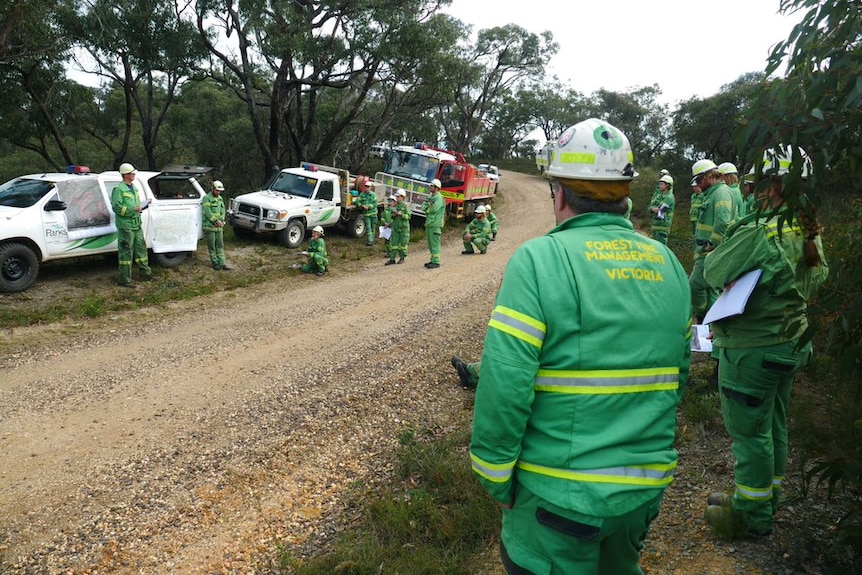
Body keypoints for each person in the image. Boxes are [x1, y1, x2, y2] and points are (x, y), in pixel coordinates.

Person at [469, 118, 691, 575]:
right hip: (640, 494)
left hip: (556, 502)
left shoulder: (539, 260)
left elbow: (505, 381)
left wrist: (494, 475)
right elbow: (678, 376)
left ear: (561, 194)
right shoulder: (668, 263)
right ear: (625, 194)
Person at [703, 146, 828, 537]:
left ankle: (751, 517)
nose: (753, 190)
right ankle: (764, 498)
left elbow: (713, 271)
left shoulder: (761, 229)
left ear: (775, 186)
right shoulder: (808, 229)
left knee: (750, 434)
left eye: (759, 184)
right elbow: (816, 280)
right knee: (773, 424)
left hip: (752, 351)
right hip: (790, 344)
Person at [689, 159, 735, 323]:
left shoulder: (721, 193)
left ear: (708, 177)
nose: (698, 185)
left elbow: (722, 222)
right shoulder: (713, 193)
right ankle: (710, 324)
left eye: (699, 180)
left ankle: (702, 318)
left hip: (710, 252)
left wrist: (711, 245)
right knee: (710, 290)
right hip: (706, 252)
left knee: (695, 284)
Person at [111, 162, 154, 287]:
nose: (134, 174)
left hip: (136, 223)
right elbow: (116, 207)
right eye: (132, 173)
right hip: (126, 225)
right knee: (126, 251)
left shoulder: (134, 187)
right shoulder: (119, 189)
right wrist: (132, 210)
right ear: (125, 175)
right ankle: (124, 280)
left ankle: (145, 274)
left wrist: (143, 205)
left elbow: (134, 204)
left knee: (141, 249)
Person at [202, 180, 230, 271]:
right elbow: (207, 212)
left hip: (219, 228)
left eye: (220, 191)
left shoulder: (220, 199)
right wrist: (215, 221)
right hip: (210, 227)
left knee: (220, 246)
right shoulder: (206, 198)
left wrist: (221, 220)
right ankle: (215, 264)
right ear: (213, 189)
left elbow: (223, 211)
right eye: (217, 190)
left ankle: (222, 264)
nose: (218, 192)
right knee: (212, 247)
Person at [421, 178, 446, 268]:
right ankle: (432, 260)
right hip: (429, 223)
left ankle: (436, 261)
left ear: (436, 188)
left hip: (435, 224)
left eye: (432, 186)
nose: (430, 187)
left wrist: (427, 209)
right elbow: (423, 206)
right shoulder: (431, 197)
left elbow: (434, 209)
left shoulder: (438, 198)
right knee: (431, 243)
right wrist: (428, 207)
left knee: (435, 243)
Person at [648, 174, 675, 244]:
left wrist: (654, 209)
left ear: (667, 185)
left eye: (661, 184)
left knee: (661, 247)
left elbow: (660, 211)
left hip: (662, 227)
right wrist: (653, 209)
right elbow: (651, 207)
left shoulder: (669, 197)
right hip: (656, 226)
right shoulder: (660, 196)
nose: (659, 185)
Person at [386, 188, 410, 265]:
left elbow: (408, 216)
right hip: (396, 228)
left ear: (403, 197)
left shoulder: (406, 206)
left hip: (403, 228)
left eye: (399, 196)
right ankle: (392, 259)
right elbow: (391, 216)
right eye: (396, 196)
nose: (397, 198)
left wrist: (401, 215)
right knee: (394, 245)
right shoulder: (395, 205)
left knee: (402, 245)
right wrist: (393, 215)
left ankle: (402, 258)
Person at [355, 176, 379, 247]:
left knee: (373, 227)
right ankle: (370, 240)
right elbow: (357, 201)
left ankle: (372, 239)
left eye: (368, 187)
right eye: (366, 186)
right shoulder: (362, 195)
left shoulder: (373, 195)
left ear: (370, 187)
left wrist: (368, 206)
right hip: (366, 215)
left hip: (373, 214)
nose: (367, 188)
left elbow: (375, 204)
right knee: (368, 227)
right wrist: (361, 206)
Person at [381, 195, 396, 259]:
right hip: (386, 228)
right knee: (387, 241)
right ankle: (389, 252)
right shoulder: (386, 209)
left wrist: (390, 223)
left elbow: (395, 219)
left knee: (392, 241)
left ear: (394, 202)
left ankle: (392, 253)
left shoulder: (395, 210)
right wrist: (384, 222)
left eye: (391, 201)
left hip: (393, 227)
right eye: (389, 200)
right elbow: (382, 217)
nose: (390, 202)